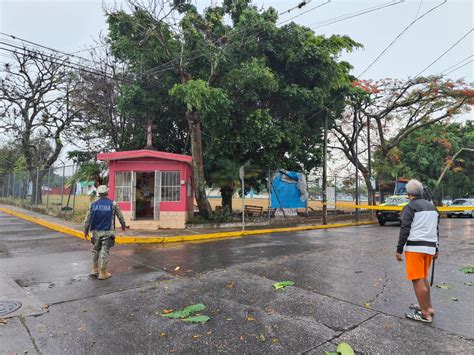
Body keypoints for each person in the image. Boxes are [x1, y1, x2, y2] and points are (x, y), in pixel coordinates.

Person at [395, 179, 439, 323]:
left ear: (408, 194)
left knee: (417, 279)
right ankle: (428, 307)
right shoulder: (432, 207)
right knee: (423, 278)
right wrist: (437, 248)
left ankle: (424, 314)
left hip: (415, 248)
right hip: (429, 247)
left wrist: (399, 249)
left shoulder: (409, 207)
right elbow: (435, 228)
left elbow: (405, 228)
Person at [84, 185, 128, 280]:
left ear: (98, 193)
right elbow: (120, 216)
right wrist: (123, 225)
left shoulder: (92, 204)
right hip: (108, 231)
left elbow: (87, 219)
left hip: (95, 232)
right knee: (104, 250)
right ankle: (103, 272)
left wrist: (85, 231)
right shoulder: (113, 204)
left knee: (95, 249)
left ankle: (94, 269)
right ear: (107, 193)